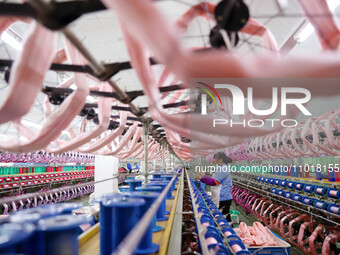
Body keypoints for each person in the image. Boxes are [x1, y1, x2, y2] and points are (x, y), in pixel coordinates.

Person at [199, 151, 233, 222]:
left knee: (223, 220)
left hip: (223, 198)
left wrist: (201, 178)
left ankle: (230, 232)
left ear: (220, 159)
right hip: (222, 197)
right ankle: (229, 231)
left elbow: (214, 182)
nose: (214, 160)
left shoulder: (223, 169)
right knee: (224, 219)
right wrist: (204, 176)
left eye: (215, 159)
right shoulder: (221, 168)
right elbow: (214, 180)